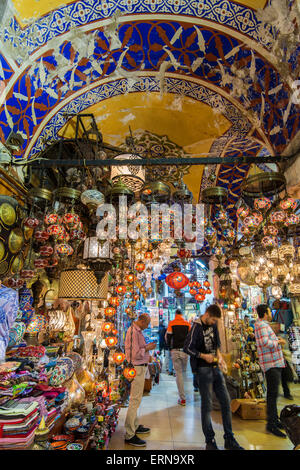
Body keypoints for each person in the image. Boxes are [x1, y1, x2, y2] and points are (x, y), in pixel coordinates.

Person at [184, 304, 244, 450]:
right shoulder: (196, 327)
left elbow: (217, 344)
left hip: (216, 368)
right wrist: (203, 356)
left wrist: (220, 357)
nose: (213, 323)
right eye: (213, 320)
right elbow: (187, 348)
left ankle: (229, 438)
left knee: (225, 401)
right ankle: (209, 441)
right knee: (207, 405)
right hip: (202, 370)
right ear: (207, 315)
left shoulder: (214, 324)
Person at [124, 313, 156, 447]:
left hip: (140, 368)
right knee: (134, 400)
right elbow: (135, 354)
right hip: (136, 368)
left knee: (136, 399)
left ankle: (134, 425)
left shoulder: (137, 331)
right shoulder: (133, 332)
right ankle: (130, 434)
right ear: (141, 321)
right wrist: (147, 348)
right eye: (147, 323)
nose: (147, 326)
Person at [254, 304, 286, 438]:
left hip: (273, 362)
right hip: (270, 363)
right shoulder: (261, 325)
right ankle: (271, 424)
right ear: (266, 313)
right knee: (272, 395)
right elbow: (264, 342)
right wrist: (278, 342)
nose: (271, 312)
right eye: (269, 311)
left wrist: (277, 340)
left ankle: (274, 420)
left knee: (274, 393)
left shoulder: (263, 325)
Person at [166, 309, 191, 406]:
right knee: (184, 373)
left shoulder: (172, 323)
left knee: (179, 374)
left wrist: (169, 348)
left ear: (175, 314)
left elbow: (168, 337)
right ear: (182, 314)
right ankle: (184, 395)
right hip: (185, 352)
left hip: (175, 351)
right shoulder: (187, 324)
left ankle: (182, 398)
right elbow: (190, 337)